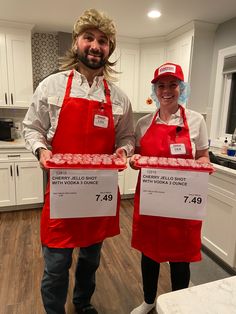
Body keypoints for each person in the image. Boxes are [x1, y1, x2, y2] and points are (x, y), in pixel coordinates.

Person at [22, 8, 134, 314]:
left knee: (90, 260)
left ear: (110, 48)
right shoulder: (51, 86)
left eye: (103, 40)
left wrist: (123, 152)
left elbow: (126, 138)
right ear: (76, 42)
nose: (96, 46)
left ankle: (83, 304)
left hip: (98, 196)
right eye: (89, 38)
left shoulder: (120, 98)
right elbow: (31, 128)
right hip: (62, 194)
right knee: (56, 264)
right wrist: (41, 150)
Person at [129, 62, 210, 314]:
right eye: (161, 85)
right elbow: (137, 159)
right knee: (149, 255)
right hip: (152, 201)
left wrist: (203, 165)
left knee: (180, 258)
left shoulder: (196, 121)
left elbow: (204, 156)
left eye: (173, 85)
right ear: (154, 90)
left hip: (182, 204)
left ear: (181, 88)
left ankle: (179, 305)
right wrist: (133, 162)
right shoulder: (143, 123)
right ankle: (149, 300)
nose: (167, 90)